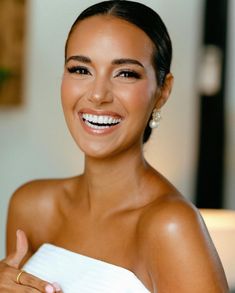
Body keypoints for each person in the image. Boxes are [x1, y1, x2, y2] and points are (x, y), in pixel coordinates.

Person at [0, 1, 229, 292]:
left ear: (162, 91)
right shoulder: (31, 205)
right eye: (81, 69)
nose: (97, 95)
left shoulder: (171, 226)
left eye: (125, 73)